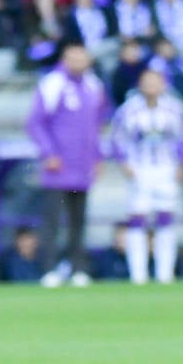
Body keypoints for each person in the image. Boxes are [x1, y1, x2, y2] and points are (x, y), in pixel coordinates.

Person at [26, 43, 110, 287]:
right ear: (64, 59)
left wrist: (97, 157)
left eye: (82, 58)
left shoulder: (94, 85)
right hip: (58, 167)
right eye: (73, 58)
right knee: (52, 220)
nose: (78, 63)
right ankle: (50, 269)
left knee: (79, 221)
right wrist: (49, 153)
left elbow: (96, 126)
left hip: (83, 165)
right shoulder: (52, 84)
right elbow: (35, 123)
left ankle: (78, 269)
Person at [110, 69, 183, 284]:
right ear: (140, 84)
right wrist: (124, 163)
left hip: (166, 169)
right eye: (146, 82)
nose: (151, 87)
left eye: (155, 82)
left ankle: (165, 274)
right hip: (140, 170)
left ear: (163, 84)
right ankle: (138, 275)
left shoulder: (175, 109)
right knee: (137, 220)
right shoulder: (128, 110)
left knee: (166, 219)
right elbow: (117, 139)